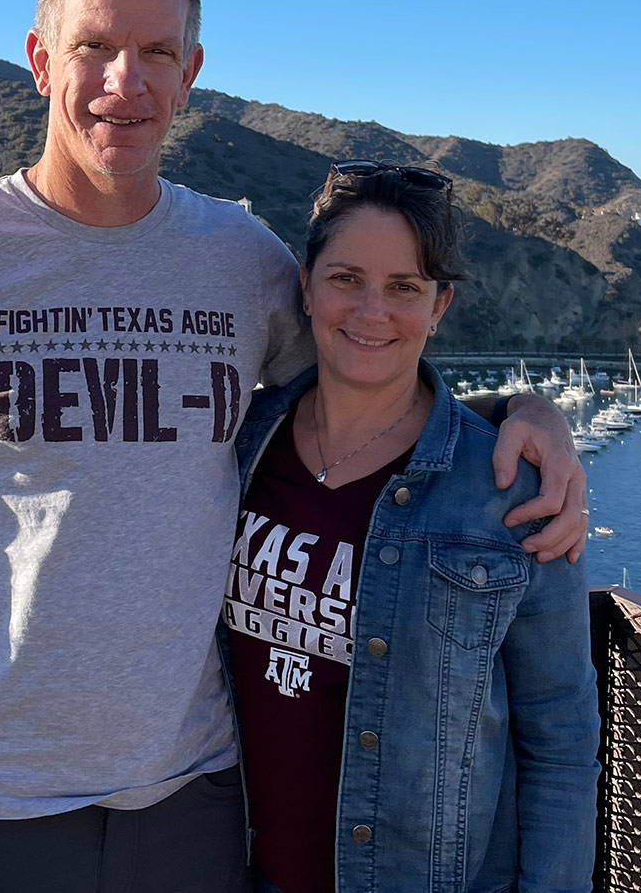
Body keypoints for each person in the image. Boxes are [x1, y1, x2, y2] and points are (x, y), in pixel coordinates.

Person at [0, 0, 590, 893]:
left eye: (154, 52)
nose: (123, 82)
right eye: (94, 46)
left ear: (190, 72)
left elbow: (367, 358)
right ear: (38, 58)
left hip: (193, 801)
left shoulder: (241, 263)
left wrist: (530, 408)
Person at [225, 162, 599, 893]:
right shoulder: (239, 448)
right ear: (305, 286)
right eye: (346, 279)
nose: (371, 312)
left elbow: (561, 741)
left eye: (404, 288)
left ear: (440, 306)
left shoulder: (510, 494)